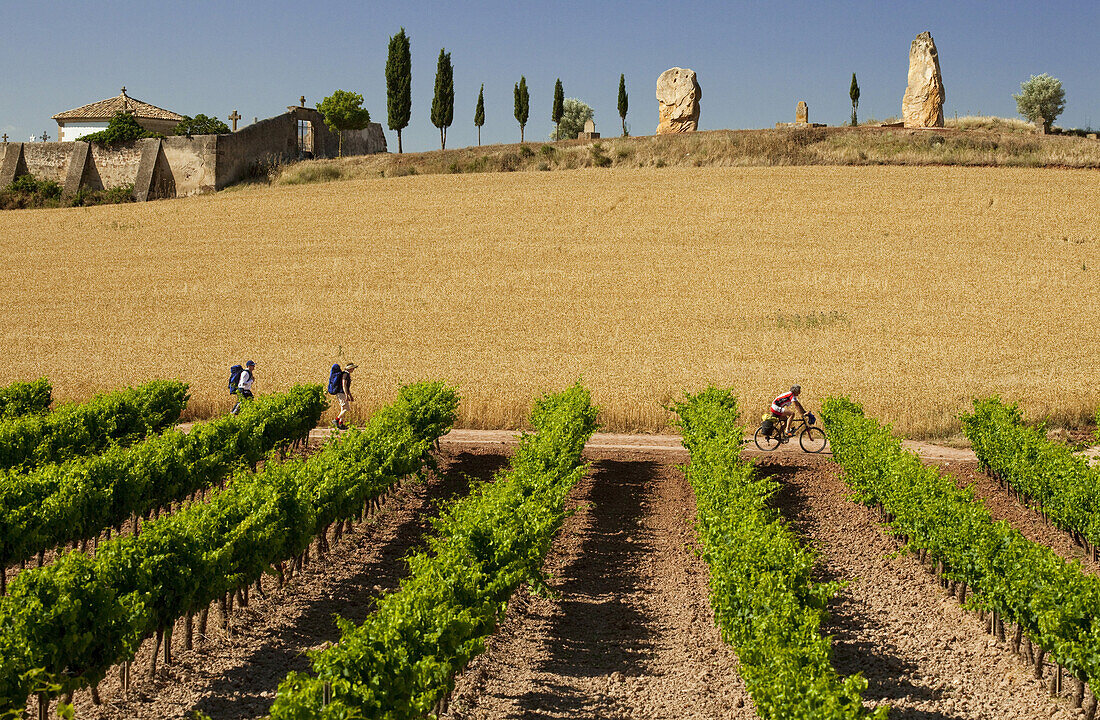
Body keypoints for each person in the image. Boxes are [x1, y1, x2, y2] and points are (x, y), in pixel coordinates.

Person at [333, 362, 356, 430]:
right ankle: (336, 420)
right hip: (341, 393)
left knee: (343, 409)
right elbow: (344, 385)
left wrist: (350, 396)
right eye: (353, 368)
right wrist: (346, 395)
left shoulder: (346, 374)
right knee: (346, 408)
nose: (353, 369)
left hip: (342, 393)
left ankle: (340, 424)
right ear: (350, 368)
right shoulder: (345, 375)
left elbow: (347, 387)